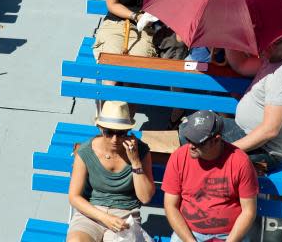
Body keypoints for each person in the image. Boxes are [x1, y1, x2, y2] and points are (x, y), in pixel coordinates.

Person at [210, 33, 282, 171]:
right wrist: (228, 35)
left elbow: (269, 130)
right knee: (191, 129)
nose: (265, 48)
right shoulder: (273, 59)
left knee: (203, 152)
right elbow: (241, 64)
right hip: (244, 131)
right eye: (263, 42)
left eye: (272, 44)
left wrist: (228, 150)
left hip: (265, 150)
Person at [66, 101, 155, 241]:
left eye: (120, 133)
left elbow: (145, 197)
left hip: (125, 214)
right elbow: (74, 197)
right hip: (91, 213)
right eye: (109, 132)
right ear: (101, 129)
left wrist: (135, 161)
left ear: (128, 130)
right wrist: (105, 218)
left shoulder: (141, 151)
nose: (115, 139)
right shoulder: (86, 151)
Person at [165, 110, 258, 242]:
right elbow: (170, 206)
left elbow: (248, 211)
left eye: (198, 142)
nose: (191, 145)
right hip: (189, 232)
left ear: (216, 140)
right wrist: (190, 240)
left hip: (230, 235)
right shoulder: (179, 157)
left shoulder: (240, 162)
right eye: (189, 139)